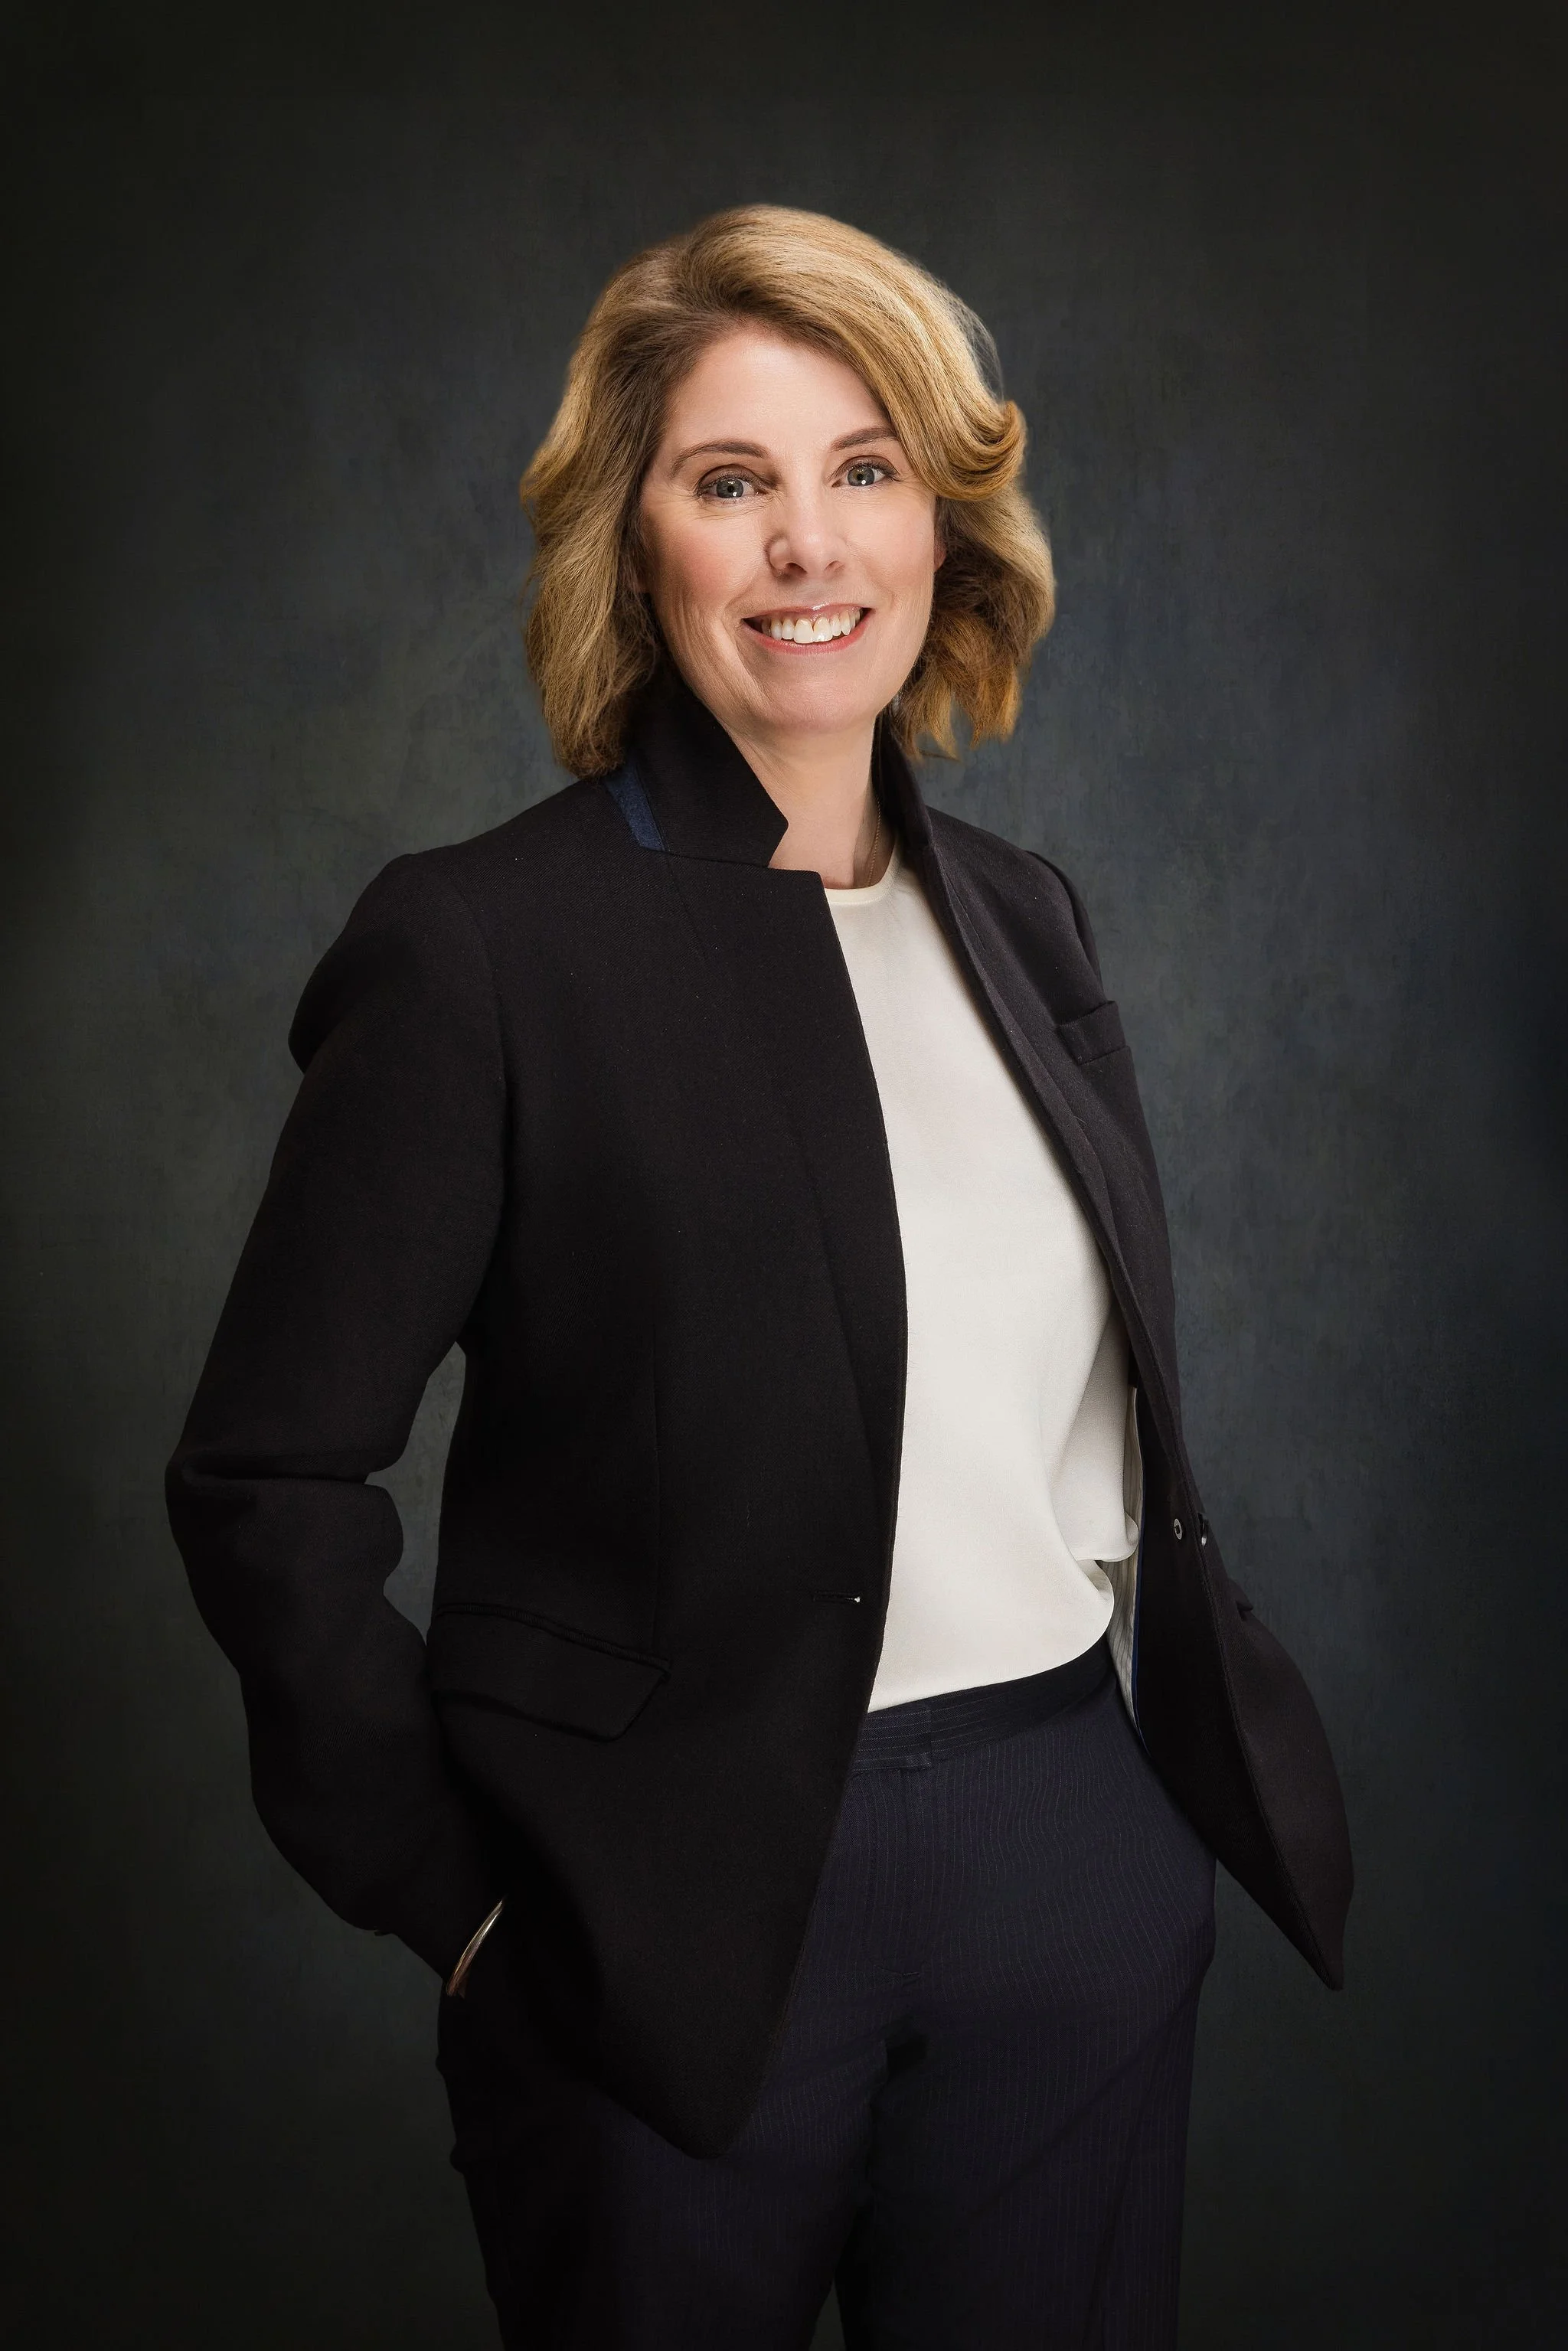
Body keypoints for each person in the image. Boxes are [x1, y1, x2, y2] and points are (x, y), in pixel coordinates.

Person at [167, 206, 1351, 2349]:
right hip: (660, 1913)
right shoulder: (483, 948)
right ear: (637, 545)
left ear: (942, 522)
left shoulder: (1030, 916)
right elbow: (265, 1483)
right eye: (734, 483)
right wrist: (459, 1911)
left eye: (864, 470)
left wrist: (1126, 1836)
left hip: (1069, 1858)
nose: (811, 546)